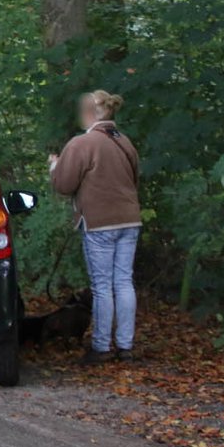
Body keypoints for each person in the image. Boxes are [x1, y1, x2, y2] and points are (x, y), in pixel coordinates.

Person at [50, 89, 142, 364]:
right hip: (130, 219)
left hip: (100, 222)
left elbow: (64, 185)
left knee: (102, 286)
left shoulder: (82, 143)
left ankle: (101, 346)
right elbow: (134, 179)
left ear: (90, 113)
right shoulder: (124, 141)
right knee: (124, 282)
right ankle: (125, 345)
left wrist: (55, 167)